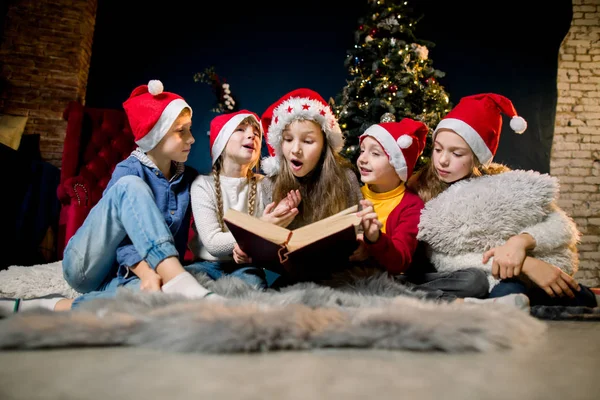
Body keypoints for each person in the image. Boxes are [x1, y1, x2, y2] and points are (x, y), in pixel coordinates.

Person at [0, 79, 229, 314]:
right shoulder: (129, 171)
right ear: (154, 135)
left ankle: (41, 307)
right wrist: (150, 272)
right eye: (181, 131)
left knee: (151, 301)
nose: (191, 138)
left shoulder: (189, 178)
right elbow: (121, 242)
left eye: (189, 129)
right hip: (88, 265)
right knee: (130, 186)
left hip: (122, 275)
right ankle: (175, 276)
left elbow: (209, 216)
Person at [406, 93, 597, 308]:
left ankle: (520, 296)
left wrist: (521, 242)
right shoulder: (418, 186)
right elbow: (443, 257)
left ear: (478, 157)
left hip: (499, 270)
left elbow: (561, 225)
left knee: (576, 296)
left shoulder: (500, 181)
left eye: (457, 154)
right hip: (451, 274)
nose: (442, 160)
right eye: (438, 149)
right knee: (479, 282)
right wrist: (525, 264)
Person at [234, 88, 363, 285]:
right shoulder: (270, 184)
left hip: (342, 279)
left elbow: (360, 232)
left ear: (324, 145)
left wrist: (364, 245)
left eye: (308, 141)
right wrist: (249, 250)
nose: (295, 150)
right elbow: (267, 253)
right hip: (294, 281)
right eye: (288, 140)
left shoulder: (346, 179)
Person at [186, 110, 299, 289]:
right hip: (204, 265)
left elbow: (271, 241)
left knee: (253, 289)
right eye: (240, 129)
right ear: (221, 142)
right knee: (186, 285)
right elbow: (214, 244)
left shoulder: (265, 184)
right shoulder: (202, 185)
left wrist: (283, 215)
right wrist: (262, 225)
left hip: (245, 266)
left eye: (256, 133)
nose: (251, 135)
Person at [354, 118, 427, 274]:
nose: (362, 159)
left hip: (388, 280)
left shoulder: (411, 205)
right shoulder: (353, 192)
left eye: (375, 153)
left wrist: (375, 239)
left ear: (398, 165)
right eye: (362, 150)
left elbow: (401, 261)